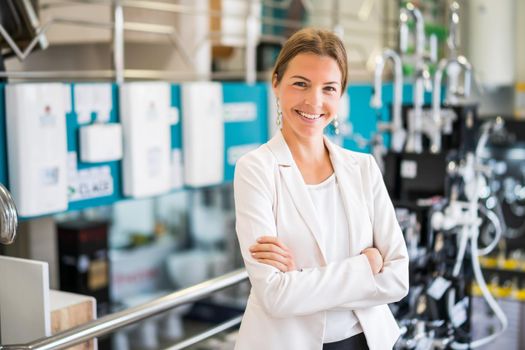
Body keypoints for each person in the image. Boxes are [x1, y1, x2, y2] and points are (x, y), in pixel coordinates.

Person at [233, 28, 409, 350]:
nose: (314, 101)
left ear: (340, 96)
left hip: (365, 341)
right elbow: (275, 295)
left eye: (329, 88)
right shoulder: (256, 169)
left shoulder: (363, 168)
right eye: (300, 83)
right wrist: (364, 267)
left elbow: (398, 279)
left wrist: (300, 278)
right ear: (276, 83)